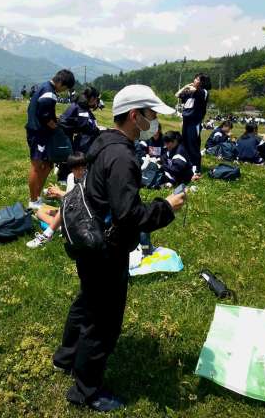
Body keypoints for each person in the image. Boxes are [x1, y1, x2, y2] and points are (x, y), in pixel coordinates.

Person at [53, 84, 185, 413]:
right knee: (104, 320)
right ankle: (86, 390)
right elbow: (129, 215)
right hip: (106, 249)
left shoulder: (103, 141)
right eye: (151, 114)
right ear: (134, 115)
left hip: (87, 240)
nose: (154, 121)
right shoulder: (123, 156)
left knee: (87, 301)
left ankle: (66, 357)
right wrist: (166, 207)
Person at [25, 69, 75, 210]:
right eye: (65, 88)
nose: (64, 91)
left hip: (38, 132)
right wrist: (57, 128)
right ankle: (33, 200)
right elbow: (45, 116)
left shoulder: (44, 87)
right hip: (38, 134)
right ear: (61, 83)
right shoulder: (49, 93)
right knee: (37, 166)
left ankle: (37, 196)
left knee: (46, 165)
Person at [26, 153, 87, 248]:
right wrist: (57, 195)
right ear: (71, 169)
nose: (81, 171)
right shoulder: (71, 177)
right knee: (40, 212)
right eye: (77, 169)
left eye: (83, 168)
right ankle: (62, 227)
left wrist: (59, 192)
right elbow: (68, 198)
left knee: (60, 209)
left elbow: (78, 199)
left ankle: (51, 232)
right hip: (69, 210)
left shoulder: (88, 178)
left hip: (80, 213)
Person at [175, 73, 210, 175]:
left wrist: (191, 87)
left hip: (195, 122)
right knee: (185, 143)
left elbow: (195, 91)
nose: (195, 80)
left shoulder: (204, 92)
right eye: (195, 78)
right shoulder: (189, 92)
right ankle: (187, 164)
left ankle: (196, 169)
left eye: (198, 79)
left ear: (203, 82)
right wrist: (185, 87)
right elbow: (177, 95)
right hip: (186, 121)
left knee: (193, 145)